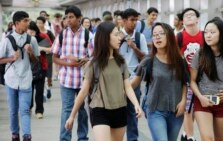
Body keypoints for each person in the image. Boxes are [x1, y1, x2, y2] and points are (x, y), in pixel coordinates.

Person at [65, 21, 142, 141]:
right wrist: (72, 116)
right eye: (116, 35)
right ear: (105, 37)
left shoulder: (121, 62)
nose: (119, 38)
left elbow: (127, 87)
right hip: (99, 109)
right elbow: (84, 91)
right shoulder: (93, 64)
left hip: (120, 108)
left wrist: (137, 104)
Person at [131, 22, 187, 141]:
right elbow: (133, 83)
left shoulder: (180, 60)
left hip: (176, 111)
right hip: (155, 110)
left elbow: (184, 83)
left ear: (170, 37)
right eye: (155, 34)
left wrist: (183, 102)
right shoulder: (148, 60)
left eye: (161, 34)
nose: (157, 37)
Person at [51, 6, 93, 141]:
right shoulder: (62, 35)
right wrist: (70, 63)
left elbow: (94, 57)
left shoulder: (88, 35)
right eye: (66, 17)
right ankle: (64, 138)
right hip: (67, 80)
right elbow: (54, 57)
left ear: (79, 18)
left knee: (82, 111)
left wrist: (83, 60)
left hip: (84, 81)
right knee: (67, 110)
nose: (68, 20)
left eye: (71, 17)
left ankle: (82, 138)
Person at [0, 11, 40, 141]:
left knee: (24, 110)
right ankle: (15, 134)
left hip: (26, 80)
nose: (28, 23)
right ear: (17, 23)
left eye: (28, 20)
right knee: (12, 111)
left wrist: (31, 53)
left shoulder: (32, 39)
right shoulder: (7, 39)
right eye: (25, 21)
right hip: (11, 80)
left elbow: (36, 61)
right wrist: (12, 58)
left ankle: (27, 136)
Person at [119, 8, 148, 141]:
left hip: (133, 80)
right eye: (132, 20)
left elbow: (145, 58)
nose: (134, 22)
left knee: (132, 112)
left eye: (136, 20)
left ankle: (132, 139)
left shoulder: (139, 37)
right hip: (117, 80)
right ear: (124, 21)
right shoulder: (116, 36)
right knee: (117, 112)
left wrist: (134, 47)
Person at [178, 8, 203, 141]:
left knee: (194, 107)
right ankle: (190, 137)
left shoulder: (205, 35)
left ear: (198, 19)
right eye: (186, 16)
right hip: (186, 79)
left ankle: (185, 133)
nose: (189, 17)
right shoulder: (179, 37)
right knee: (188, 108)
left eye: (192, 15)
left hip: (203, 79)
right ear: (182, 22)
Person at [27, 21, 52, 119]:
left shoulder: (43, 36)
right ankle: (29, 107)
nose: (31, 33)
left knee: (40, 90)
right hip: (27, 67)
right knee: (29, 89)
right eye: (29, 31)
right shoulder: (24, 37)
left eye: (33, 31)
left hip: (41, 66)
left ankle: (39, 111)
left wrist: (39, 48)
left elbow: (51, 49)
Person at [36, 16, 55, 99]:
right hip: (39, 57)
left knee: (48, 75)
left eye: (40, 22)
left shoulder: (49, 33)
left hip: (48, 56)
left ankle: (48, 88)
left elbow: (53, 44)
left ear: (44, 23)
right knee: (42, 75)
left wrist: (46, 48)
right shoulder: (35, 33)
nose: (38, 24)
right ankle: (43, 94)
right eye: (37, 23)